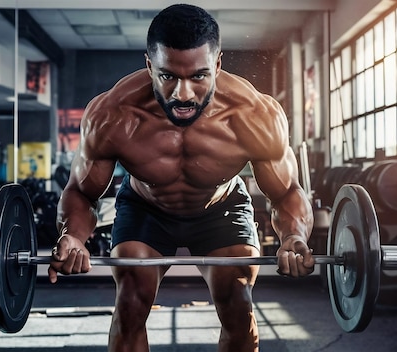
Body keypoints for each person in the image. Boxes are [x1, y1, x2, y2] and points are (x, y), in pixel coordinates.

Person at [48, 4, 314, 352]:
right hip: (147, 208)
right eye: (168, 76)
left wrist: (294, 236)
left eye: (199, 76)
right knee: (129, 303)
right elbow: (81, 193)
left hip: (221, 207)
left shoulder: (255, 115)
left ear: (217, 65)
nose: (182, 94)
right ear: (149, 65)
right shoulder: (112, 115)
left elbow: (287, 192)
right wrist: (73, 236)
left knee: (238, 302)